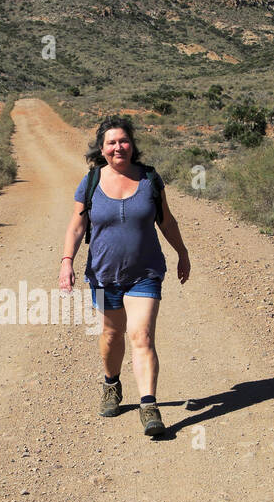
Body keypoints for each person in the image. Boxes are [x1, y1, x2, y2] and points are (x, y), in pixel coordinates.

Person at [59, 114, 190, 437]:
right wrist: (66, 262)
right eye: (111, 143)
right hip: (103, 275)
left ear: (132, 144)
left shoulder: (150, 180)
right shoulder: (90, 182)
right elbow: (77, 226)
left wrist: (182, 252)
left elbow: (167, 222)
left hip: (145, 273)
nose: (119, 147)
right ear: (102, 149)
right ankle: (111, 384)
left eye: (123, 141)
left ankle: (149, 407)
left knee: (142, 336)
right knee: (111, 335)